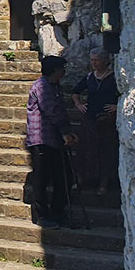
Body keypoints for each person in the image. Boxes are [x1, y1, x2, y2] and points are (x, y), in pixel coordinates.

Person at [24, 55, 77, 229]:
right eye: (62, 68)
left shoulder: (54, 87)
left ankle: (57, 211)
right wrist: (65, 133)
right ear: (55, 70)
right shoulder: (43, 87)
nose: (64, 72)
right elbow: (52, 111)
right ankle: (42, 215)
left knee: (64, 177)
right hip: (42, 139)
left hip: (53, 139)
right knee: (42, 178)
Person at [71, 48, 119, 196]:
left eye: (96, 60)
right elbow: (75, 92)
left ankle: (103, 184)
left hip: (106, 120)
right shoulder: (89, 77)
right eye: (92, 60)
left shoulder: (114, 77)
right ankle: (80, 180)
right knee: (84, 149)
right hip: (90, 118)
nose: (94, 63)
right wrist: (79, 104)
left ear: (105, 61)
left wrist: (117, 106)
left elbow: (122, 94)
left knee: (105, 151)